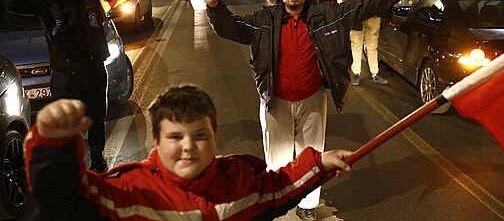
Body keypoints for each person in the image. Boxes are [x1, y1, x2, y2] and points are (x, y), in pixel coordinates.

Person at [203, 0, 416, 220]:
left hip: (312, 100)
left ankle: (308, 205)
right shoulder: (264, 19)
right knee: (277, 158)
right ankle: (279, 201)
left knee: (313, 154)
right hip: (275, 101)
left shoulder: (327, 15)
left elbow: (361, 4)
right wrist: (216, 8)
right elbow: (231, 27)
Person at [25, 85, 353, 220]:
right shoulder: (128, 192)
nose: (187, 147)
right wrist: (52, 145)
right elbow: (63, 200)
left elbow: (278, 188)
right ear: (156, 140)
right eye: (175, 136)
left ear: (214, 136)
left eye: (199, 135)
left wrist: (319, 163)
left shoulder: (239, 181)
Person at [5, 0, 109, 173]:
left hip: (92, 70)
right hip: (64, 73)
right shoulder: (45, 2)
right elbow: (12, 3)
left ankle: (97, 156)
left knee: (96, 118)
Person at [339, 0, 388, 86]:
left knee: (373, 47)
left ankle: (374, 73)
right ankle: (356, 73)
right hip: (357, 18)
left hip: (373, 16)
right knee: (356, 46)